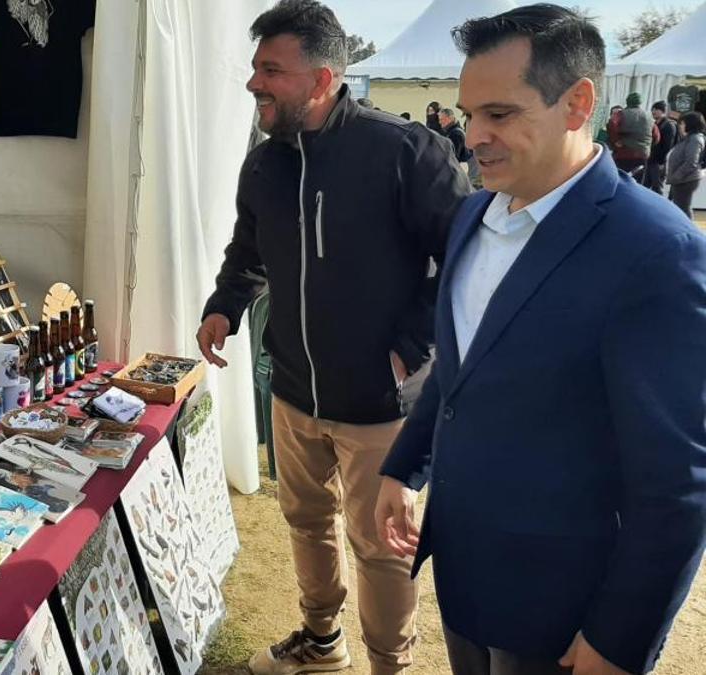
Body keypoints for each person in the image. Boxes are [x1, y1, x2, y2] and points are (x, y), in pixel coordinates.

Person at [375, 5, 706, 675]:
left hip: (563, 607)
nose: (474, 136)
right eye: (469, 114)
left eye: (499, 113)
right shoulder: (473, 214)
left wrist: (620, 637)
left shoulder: (657, 251)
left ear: (577, 104)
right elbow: (461, 367)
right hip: (464, 571)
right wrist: (403, 466)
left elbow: (678, 483)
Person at [196, 2, 471, 672]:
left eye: (271, 70)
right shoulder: (264, 164)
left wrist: (410, 347)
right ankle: (322, 640)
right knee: (305, 521)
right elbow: (248, 250)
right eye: (256, 68)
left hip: (379, 402)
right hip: (292, 391)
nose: (254, 83)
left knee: (380, 547)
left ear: (321, 79)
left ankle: (389, 665)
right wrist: (225, 306)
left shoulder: (404, 150)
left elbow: (465, 257)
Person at [607, 91, 659, 178]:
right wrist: (647, 145)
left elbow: (612, 123)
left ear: (627, 101)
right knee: (638, 181)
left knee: (622, 180)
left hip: (624, 154)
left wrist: (616, 140)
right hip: (642, 155)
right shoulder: (648, 117)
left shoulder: (621, 114)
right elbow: (656, 136)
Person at [667, 111, 705, 219]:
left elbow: (691, 162)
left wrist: (676, 176)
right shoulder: (687, 138)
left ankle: (688, 227)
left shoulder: (694, 139)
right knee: (679, 207)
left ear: (690, 124)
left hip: (686, 180)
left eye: (682, 123)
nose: (680, 126)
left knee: (683, 208)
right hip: (681, 179)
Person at [645, 100, 680, 193]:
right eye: (652, 109)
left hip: (660, 163)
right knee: (644, 187)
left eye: (656, 109)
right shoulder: (655, 124)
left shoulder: (669, 125)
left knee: (657, 189)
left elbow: (668, 146)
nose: (653, 111)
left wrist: (662, 163)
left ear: (663, 111)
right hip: (651, 160)